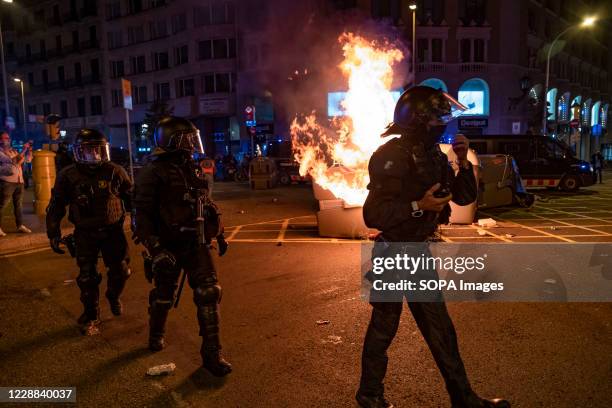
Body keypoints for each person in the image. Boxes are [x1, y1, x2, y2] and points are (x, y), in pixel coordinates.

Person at [356, 86, 510, 408]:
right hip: (393, 252)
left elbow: (464, 197)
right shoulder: (390, 156)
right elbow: (373, 215)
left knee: (441, 329)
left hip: (417, 252)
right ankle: (370, 395)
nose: (444, 124)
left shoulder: (435, 155)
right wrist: (418, 205)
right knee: (384, 327)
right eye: (437, 119)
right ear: (418, 122)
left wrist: (463, 163)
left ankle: (463, 397)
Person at [132, 116, 232, 377]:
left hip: (196, 242)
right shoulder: (152, 172)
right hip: (168, 244)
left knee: (209, 292)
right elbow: (140, 216)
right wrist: (155, 249)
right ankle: (156, 334)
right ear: (170, 141)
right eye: (186, 140)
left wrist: (219, 233)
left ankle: (212, 355)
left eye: (192, 139)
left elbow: (206, 203)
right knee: (163, 297)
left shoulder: (193, 167)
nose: (191, 145)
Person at [46, 129, 132, 335]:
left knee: (121, 271)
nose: (93, 154)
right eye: (88, 150)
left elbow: (132, 199)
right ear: (78, 152)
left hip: (113, 231)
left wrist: (139, 223)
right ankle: (92, 315)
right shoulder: (68, 175)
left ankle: (113, 296)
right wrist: (53, 231)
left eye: (97, 149)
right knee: (87, 277)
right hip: (85, 232)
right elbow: (56, 205)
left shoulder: (115, 171)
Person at [0, 131, 32, 237]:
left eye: (8, 138)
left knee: (18, 205)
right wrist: (24, 149)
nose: (7, 140)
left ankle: (20, 225)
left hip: (19, 181)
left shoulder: (12, 150)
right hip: (7, 182)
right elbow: (12, 161)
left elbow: (25, 160)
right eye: (4, 138)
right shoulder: (1, 152)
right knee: (2, 205)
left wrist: (29, 151)